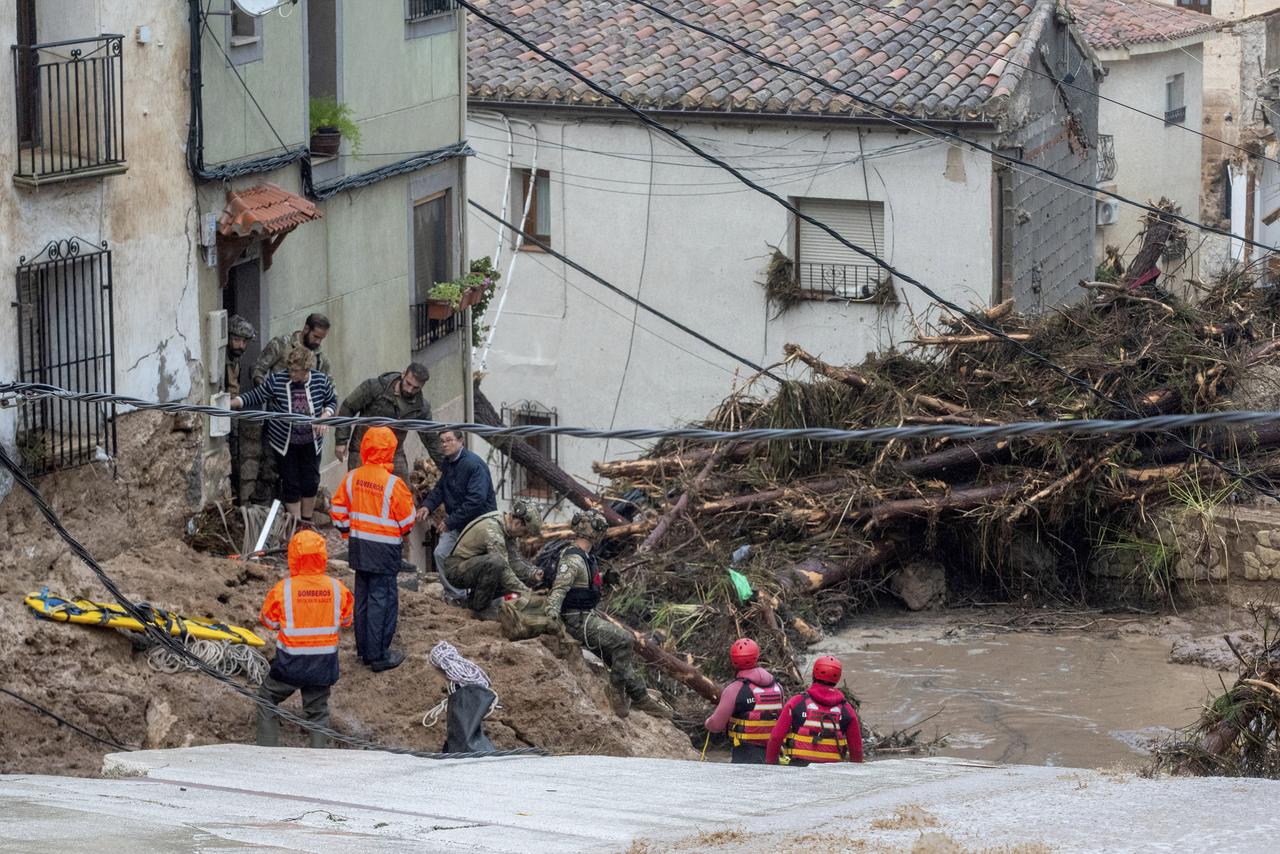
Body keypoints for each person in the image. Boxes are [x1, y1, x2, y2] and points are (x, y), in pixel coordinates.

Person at [543, 510, 672, 719]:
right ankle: (615, 692)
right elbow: (559, 590)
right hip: (576, 620)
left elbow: (582, 583)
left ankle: (640, 696)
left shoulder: (585, 557)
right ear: (594, 531)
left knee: (617, 655)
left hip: (586, 615)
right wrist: (553, 619)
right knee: (624, 640)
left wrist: (604, 578)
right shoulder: (573, 559)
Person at [329, 426, 416, 672]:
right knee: (383, 600)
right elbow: (408, 520)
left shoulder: (352, 477)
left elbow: (337, 511)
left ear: (365, 447)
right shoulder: (393, 484)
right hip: (385, 550)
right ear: (390, 450)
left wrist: (348, 532)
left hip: (358, 547)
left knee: (363, 598)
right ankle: (378, 656)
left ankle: (364, 651)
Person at [256, 529, 354, 748]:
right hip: (323, 664)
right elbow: (347, 620)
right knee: (318, 712)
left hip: (291, 663)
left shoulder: (284, 589)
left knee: (266, 699)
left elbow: (268, 621)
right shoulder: (337, 588)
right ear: (322, 556)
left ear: (293, 557)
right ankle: (319, 762)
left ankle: (265, 755)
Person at [231, 346, 338, 527]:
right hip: (286, 442)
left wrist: (325, 416)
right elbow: (257, 395)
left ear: (306, 370)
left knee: (310, 480)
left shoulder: (321, 380)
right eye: (290, 370)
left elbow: (332, 401)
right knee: (291, 482)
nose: (291, 374)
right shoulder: (278, 381)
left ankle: (306, 522)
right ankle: (295, 524)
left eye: (296, 371)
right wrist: (233, 403)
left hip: (311, 441)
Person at [245, 313, 333, 504]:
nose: (318, 342)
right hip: (278, 426)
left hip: (306, 434)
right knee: (269, 472)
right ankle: (263, 513)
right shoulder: (281, 345)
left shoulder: (320, 360)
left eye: (322, 339)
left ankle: (294, 520)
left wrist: (323, 414)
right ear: (306, 329)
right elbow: (257, 369)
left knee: (304, 478)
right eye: (316, 337)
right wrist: (268, 391)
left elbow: (328, 392)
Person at [334, 363, 444, 478]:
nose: (410, 390)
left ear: (422, 386)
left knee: (402, 491)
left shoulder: (421, 407)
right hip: (364, 449)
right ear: (403, 374)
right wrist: (341, 441)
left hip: (394, 453)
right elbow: (348, 407)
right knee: (360, 488)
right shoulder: (375, 387)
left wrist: (447, 467)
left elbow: (431, 440)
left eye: (416, 388)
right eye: (408, 383)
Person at [418, 429, 497, 576]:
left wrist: (450, 521)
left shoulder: (473, 465)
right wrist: (427, 506)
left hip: (479, 524)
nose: (445, 444)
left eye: (449, 440)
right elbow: (441, 488)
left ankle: (482, 598)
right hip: (458, 523)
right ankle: (456, 596)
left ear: (461, 441)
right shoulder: (449, 463)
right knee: (441, 554)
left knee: (481, 566)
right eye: (442, 441)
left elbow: (476, 500)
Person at [442, 499, 541, 613]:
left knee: (525, 576)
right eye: (525, 532)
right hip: (456, 569)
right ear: (518, 523)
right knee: (497, 563)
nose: (523, 537)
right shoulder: (493, 528)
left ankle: (472, 602)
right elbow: (503, 567)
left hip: (474, 566)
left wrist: (532, 573)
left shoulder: (508, 529)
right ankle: (479, 609)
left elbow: (514, 561)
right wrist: (525, 591)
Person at [765, 655, 863, 766]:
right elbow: (856, 749)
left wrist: (771, 765)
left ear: (813, 674)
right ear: (838, 678)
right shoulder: (846, 709)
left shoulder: (797, 702)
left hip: (798, 770)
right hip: (833, 773)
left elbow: (776, 738)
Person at [704, 638, 785, 764]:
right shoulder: (777, 686)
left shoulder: (734, 689)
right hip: (773, 754)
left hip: (745, 754)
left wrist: (708, 723)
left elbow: (716, 725)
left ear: (733, 661)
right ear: (757, 656)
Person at [224, 314, 256, 504]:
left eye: (244, 341)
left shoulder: (235, 358)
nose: (240, 346)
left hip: (234, 413)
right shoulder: (224, 360)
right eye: (236, 340)